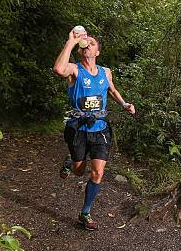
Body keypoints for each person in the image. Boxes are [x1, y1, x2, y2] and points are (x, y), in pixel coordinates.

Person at [53, 29, 135, 230]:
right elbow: (58, 69)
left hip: (100, 129)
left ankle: (85, 213)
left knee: (98, 172)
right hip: (78, 129)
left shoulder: (105, 72)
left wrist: (124, 104)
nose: (86, 44)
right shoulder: (74, 70)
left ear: (97, 51)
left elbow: (112, 90)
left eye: (91, 42)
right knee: (79, 172)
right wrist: (71, 42)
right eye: (85, 43)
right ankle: (71, 160)